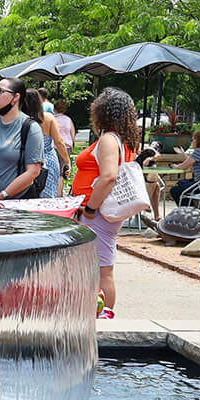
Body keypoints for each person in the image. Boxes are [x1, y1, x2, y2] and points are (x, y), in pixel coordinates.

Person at [72, 87, 142, 321]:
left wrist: (91, 208)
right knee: (101, 266)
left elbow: (109, 176)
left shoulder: (108, 140)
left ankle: (103, 316)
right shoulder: (124, 140)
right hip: (103, 214)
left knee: (102, 268)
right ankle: (100, 313)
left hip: (98, 214)